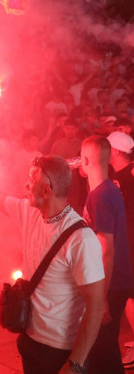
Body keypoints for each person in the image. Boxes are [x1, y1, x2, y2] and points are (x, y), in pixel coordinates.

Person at [0, 156, 105, 374]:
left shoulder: (81, 239)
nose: (26, 186)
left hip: (60, 350)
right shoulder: (29, 213)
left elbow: (95, 306)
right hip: (29, 339)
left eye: (31, 181)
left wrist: (75, 364)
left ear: (46, 191)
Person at [81, 136, 134, 373]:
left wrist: (100, 298)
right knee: (105, 351)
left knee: (102, 353)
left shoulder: (101, 196)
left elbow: (106, 251)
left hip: (109, 285)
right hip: (115, 282)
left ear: (85, 160)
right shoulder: (108, 189)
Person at [107, 132, 134, 368]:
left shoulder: (129, 174)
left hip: (130, 244)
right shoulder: (117, 175)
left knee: (130, 296)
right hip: (126, 243)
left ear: (115, 151)